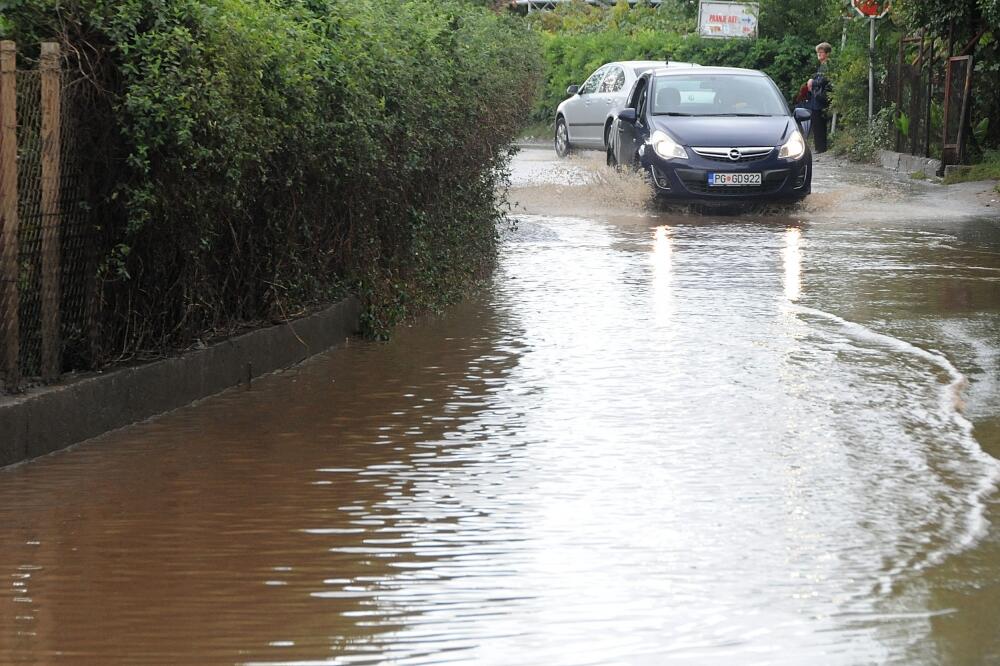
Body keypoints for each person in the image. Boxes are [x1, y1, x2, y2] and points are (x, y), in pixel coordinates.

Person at [806, 42, 833, 153]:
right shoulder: (822, 65)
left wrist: (813, 81)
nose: (819, 54)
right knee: (817, 122)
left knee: (819, 122)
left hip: (821, 98)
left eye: (821, 52)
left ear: (827, 53)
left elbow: (823, 81)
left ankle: (821, 147)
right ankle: (820, 147)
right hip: (818, 98)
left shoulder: (826, 65)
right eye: (818, 52)